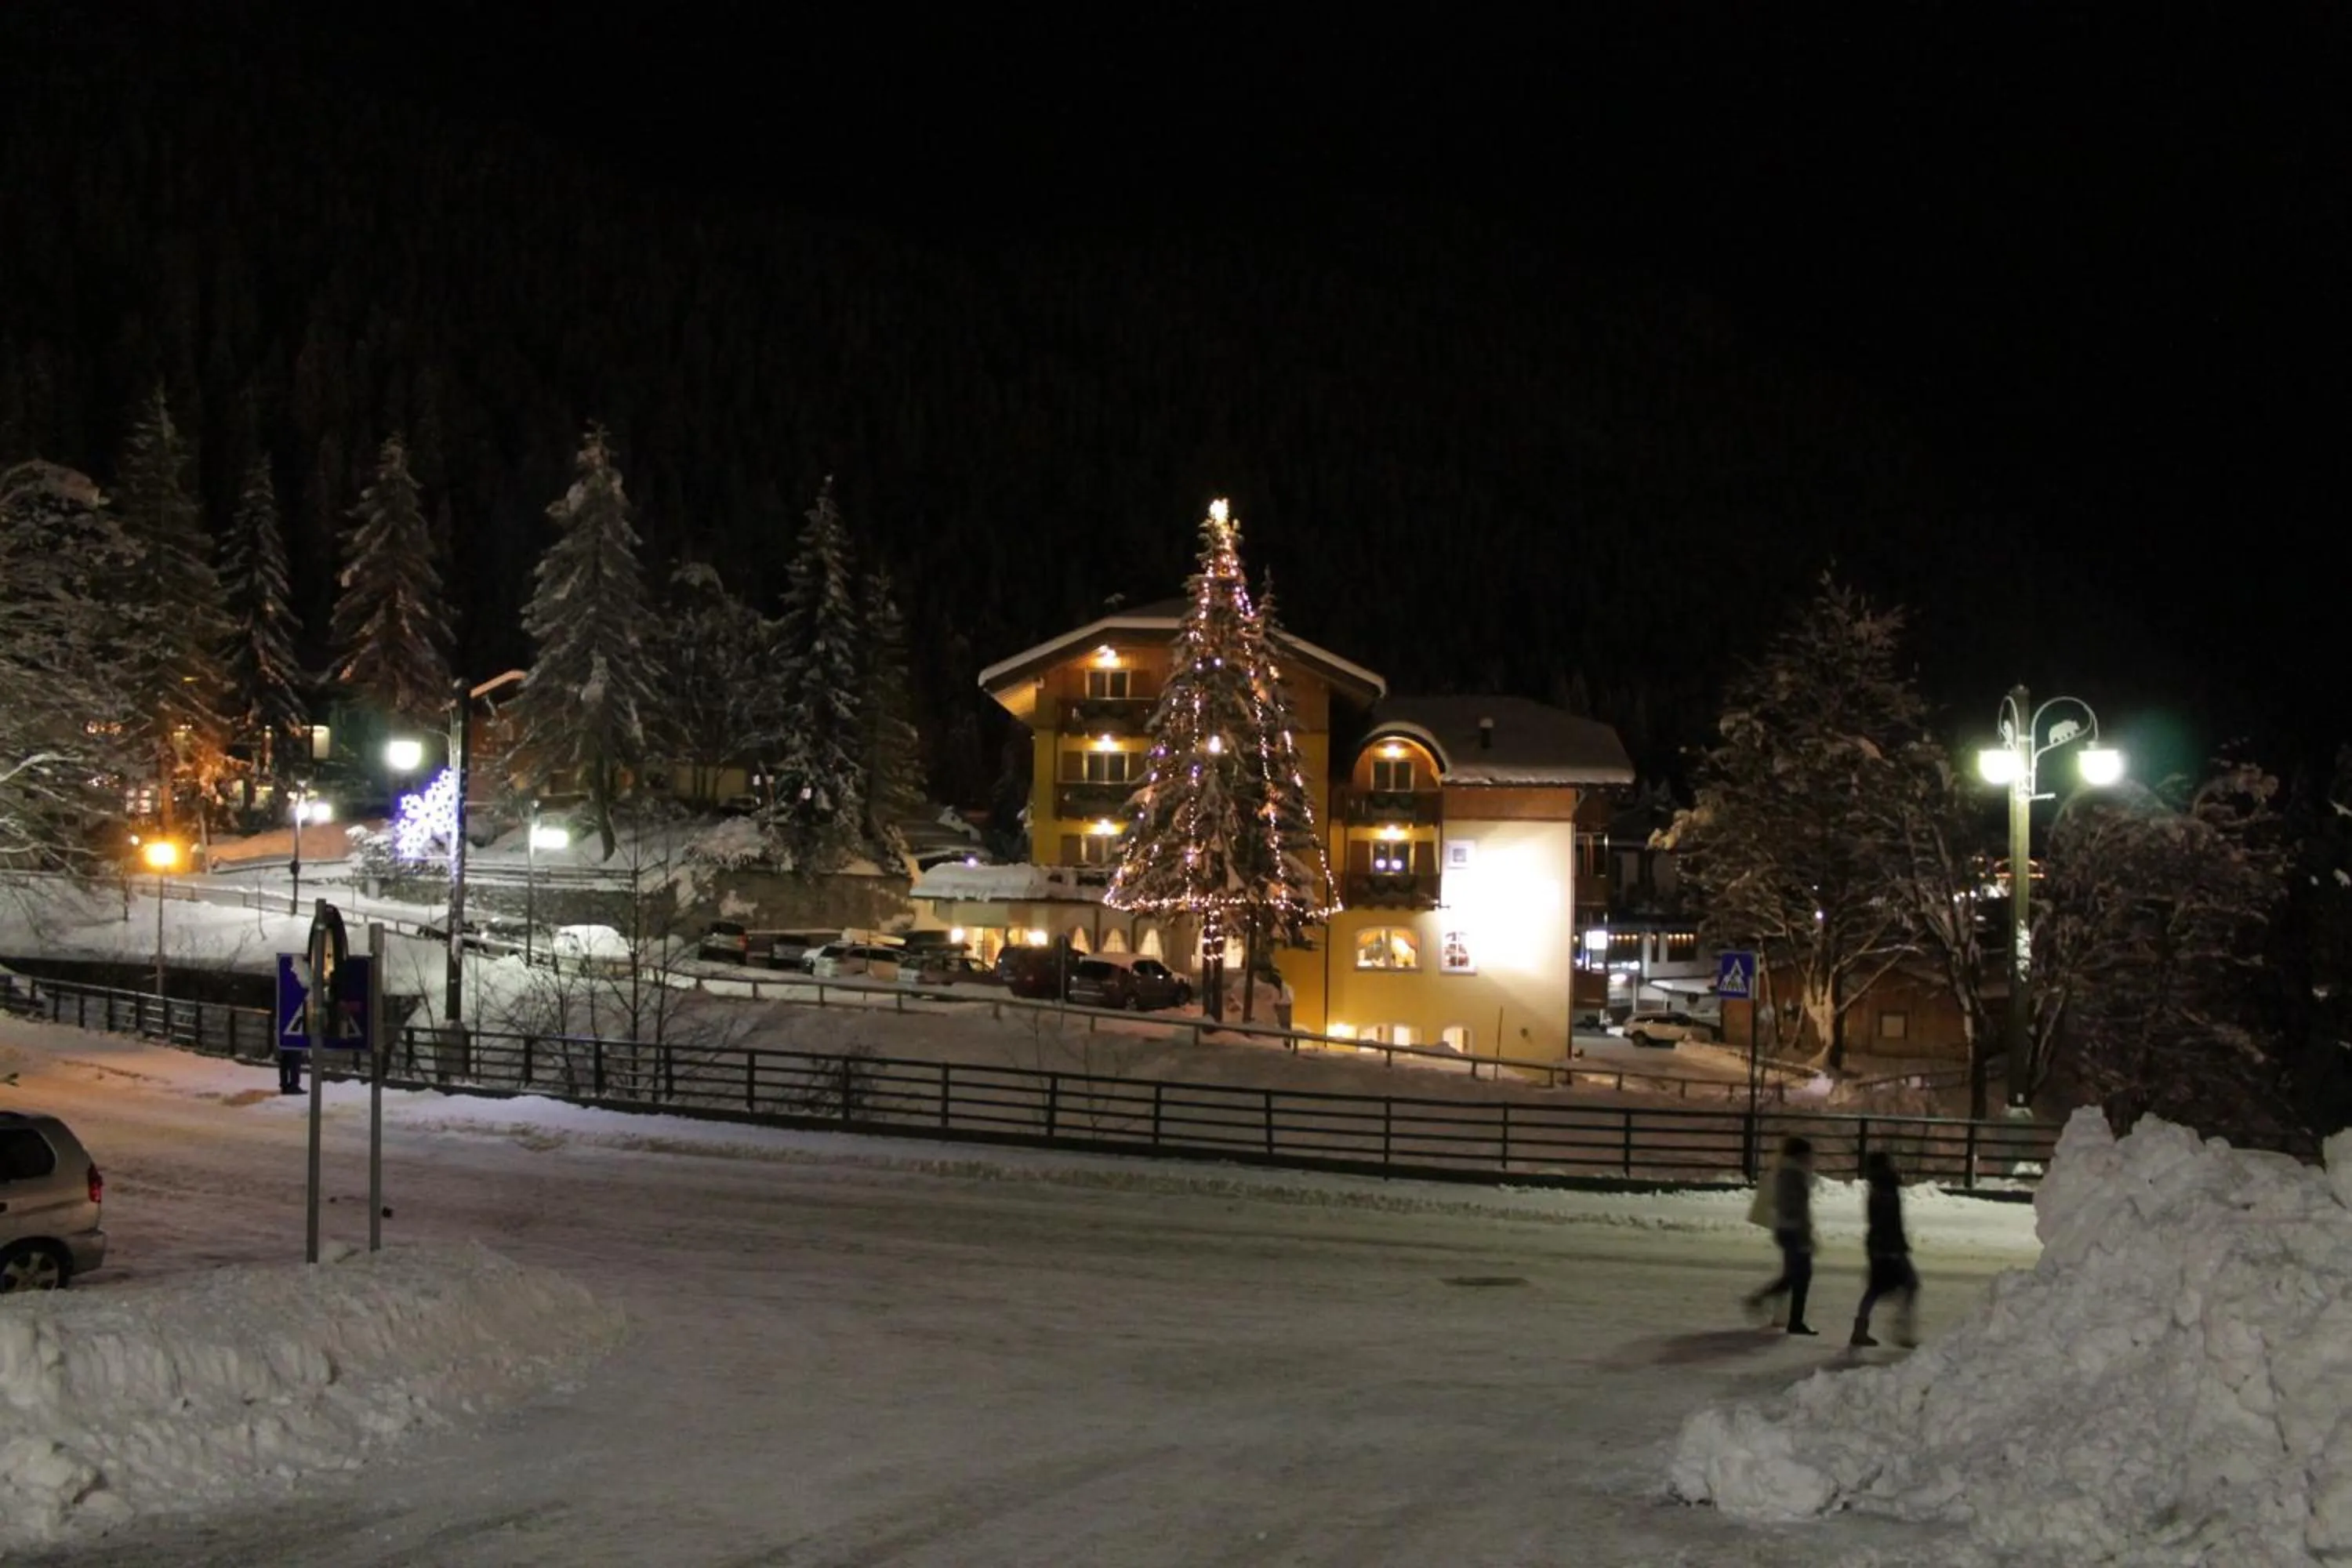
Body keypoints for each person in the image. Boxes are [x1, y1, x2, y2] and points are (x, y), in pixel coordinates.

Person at [1743, 1135, 1818, 1335]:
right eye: (1809, 1155)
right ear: (1800, 1155)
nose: (1812, 1158)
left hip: (1786, 1229)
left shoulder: (1786, 1172)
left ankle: (1788, 1316)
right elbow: (1798, 1209)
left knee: (1795, 1275)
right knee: (1800, 1276)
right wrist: (1806, 1236)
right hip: (1794, 1231)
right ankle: (1775, 1307)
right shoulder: (1794, 1175)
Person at [1850, 1151, 1920, 1348]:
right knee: (1909, 1284)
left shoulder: (1879, 1187)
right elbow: (1889, 1220)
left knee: (1876, 1288)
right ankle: (1901, 1328)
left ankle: (1861, 1328)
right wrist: (1894, 1247)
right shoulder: (1886, 1188)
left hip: (1881, 1244)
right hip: (1889, 1246)